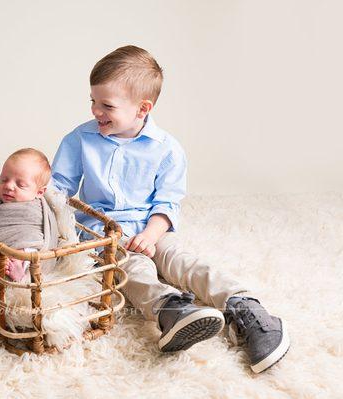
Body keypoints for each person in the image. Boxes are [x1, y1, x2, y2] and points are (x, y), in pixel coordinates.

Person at [51, 46, 289, 373]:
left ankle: (246, 308)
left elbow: (167, 202)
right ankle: (171, 310)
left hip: (154, 228)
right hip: (107, 235)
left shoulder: (167, 150)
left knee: (182, 263)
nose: (96, 111)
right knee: (131, 272)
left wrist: (151, 235)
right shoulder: (80, 140)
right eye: (92, 101)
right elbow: (58, 189)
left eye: (106, 105)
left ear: (142, 108)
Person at [0, 148, 58, 282]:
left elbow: (50, 231)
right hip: (3, 244)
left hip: (26, 246)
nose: (8, 186)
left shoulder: (39, 207)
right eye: (4, 179)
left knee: (30, 251)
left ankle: (19, 272)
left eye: (20, 185)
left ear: (39, 192)